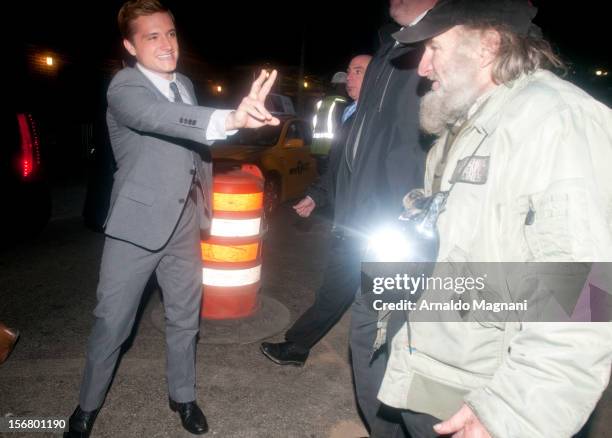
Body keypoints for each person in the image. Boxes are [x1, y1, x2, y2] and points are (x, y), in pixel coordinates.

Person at [376, 0, 612, 437]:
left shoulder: (555, 122)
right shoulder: (466, 123)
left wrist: (509, 415)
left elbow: (583, 294)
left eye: (434, 49)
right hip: (437, 378)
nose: (423, 67)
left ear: (487, 47)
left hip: (484, 401)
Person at [64, 1, 279, 436]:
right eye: (152, 36)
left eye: (171, 33)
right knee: (112, 322)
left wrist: (202, 203)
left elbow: (191, 145)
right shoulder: (123, 88)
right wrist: (231, 117)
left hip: (185, 220)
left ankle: (182, 395)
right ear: (130, 46)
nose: (167, 44)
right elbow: (161, 119)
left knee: (185, 317)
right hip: (137, 228)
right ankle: (86, 407)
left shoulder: (183, 83)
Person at [260, 55, 371, 366]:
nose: (350, 77)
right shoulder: (351, 116)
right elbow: (337, 171)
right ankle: (298, 346)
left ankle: (299, 346)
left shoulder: (379, 120)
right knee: (339, 289)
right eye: (349, 71)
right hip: (352, 224)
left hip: (369, 225)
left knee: (364, 293)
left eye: (359, 72)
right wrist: (316, 197)